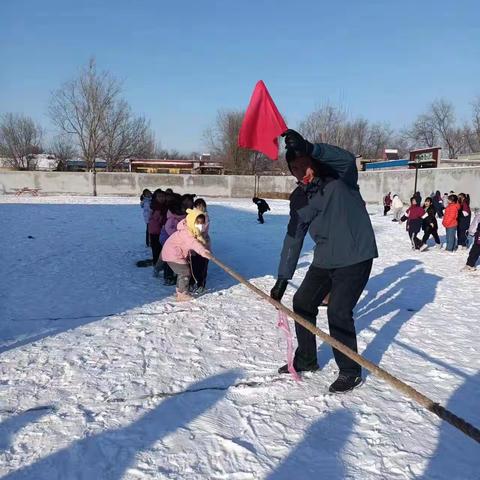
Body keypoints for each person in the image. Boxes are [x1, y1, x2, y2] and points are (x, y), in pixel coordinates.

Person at [270, 129, 378, 393]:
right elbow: (293, 239)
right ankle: (307, 358)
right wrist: (283, 278)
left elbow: (346, 159)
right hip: (325, 259)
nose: (300, 172)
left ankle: (350, 370)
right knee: (302, 302)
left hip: (355, 255)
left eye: (304, 165)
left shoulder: (340, 179)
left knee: (338, 311)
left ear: (314, 162)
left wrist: (311, 147)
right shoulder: (299, 198)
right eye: (294, 168)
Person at [161, 209, 211, 301]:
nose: (200, 225)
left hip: (174, 253)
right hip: (172, 254)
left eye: (202, 223)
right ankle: (182, 294)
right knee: (185, 271)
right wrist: (203, 252)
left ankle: (180, 291)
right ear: (192, 221)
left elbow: (197, 242)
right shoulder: (186, 233)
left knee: (183, 272)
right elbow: (193, 243)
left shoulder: (191, 230)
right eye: (198, 222)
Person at [159, 194, 187, 285]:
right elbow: (169, 229)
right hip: (168, 241)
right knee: (169, 258)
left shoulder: (183, 217)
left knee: (177, 258)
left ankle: (175, 275)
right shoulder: (172, 218)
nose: (184, 209)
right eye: (182, 208)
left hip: (177, 241)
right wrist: (178, 236)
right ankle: (167, 277)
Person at [190, 198, 211, 293]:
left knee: (202, 266)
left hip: (204, 245)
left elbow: (203, 231)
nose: (201, 208)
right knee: (193, 266)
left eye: (202, 206)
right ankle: (191, 284)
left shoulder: (205, 217)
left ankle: (201, 285)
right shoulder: (191, 217)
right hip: (193, 247)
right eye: (198, 206)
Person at [148, 191, 167, 267]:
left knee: (161, 248)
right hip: (155, 230)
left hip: (162, 231)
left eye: (163, 196)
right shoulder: (154, 206)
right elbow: (155, 218)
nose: (161, 198)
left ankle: (160, 263)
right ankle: (156, 264)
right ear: (156, 198)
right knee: (156, 249)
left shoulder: (164, 206)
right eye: (159, 196)